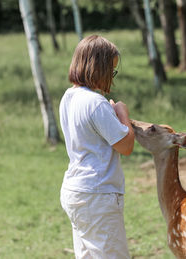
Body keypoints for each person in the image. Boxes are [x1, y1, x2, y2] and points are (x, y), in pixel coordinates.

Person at [59, 35, 135, 258]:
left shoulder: (69, 96)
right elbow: (126, 145)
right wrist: (122, 114)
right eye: (111, 71)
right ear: (98, 69)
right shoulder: (95, 103)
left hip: (76, 190)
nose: (112, 77)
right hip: (97, 194)